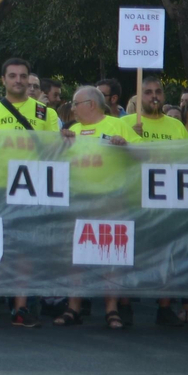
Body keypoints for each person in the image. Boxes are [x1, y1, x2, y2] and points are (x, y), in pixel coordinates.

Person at [0, 57, 61, 327]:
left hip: (30, 188)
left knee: (24, 248)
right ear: (4, 80)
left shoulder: (46, 113)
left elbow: (55, 152)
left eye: (23, 76)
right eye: (13, 76)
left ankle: (20, 308)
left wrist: (65, 140)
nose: (19, 81)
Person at [52, 87, 132, 329]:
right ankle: (73, 306)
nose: (72, 108)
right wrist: (61, 145)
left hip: (111, 199)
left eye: (76, 103)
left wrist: (125, 145)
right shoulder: (71, 131)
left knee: (112, 255)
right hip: (78, 200)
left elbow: (143, 153)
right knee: (76, 256)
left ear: (91, 104)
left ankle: (111, 309)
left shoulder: (117, 125)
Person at [118, 73, 188, 327]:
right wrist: (130, 138)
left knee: (165, 255)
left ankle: (164, 306)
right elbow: (111, 155)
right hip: (132, 199)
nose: (154, 97)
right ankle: (125, 304)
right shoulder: (125, 122)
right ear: (139, 97)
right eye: (148, 92)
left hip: (165, 200)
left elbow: (186, 160)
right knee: (130, 254)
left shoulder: (176, 126)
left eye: (157, 92)